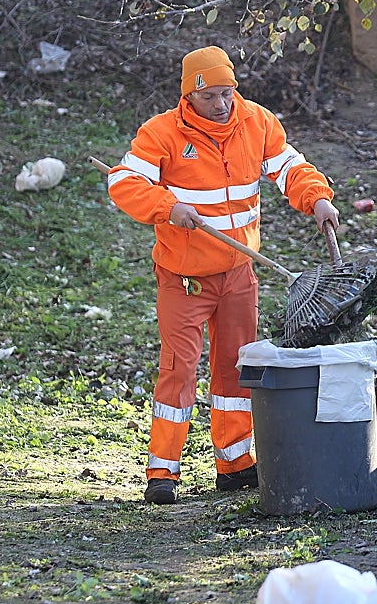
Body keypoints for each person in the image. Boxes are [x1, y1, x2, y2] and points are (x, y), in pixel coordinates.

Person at [107, 45, 340, 504]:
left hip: (238, 273)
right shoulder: (162, 133)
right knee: (178, 370)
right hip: (185, 278)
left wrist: (317, 198)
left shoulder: (256, 121)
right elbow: (123, 183)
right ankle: (163, 473)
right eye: (210, 96)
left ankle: (234, 464)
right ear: (188, 97)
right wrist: (169, 207)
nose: (221, 104)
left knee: (236, 370)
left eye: (227, 92)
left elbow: (289, 167)